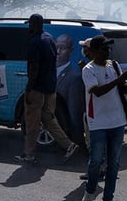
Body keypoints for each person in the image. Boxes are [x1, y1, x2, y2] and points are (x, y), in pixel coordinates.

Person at [80, 35, 127, 201]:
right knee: (96, 161)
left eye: (108, 48)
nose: (108, 51)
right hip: (98, 121)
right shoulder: (88, 70)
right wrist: (119, 79)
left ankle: (108, 199)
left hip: (117, 120)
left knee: (114, 163)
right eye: (104, 48)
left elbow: (121, 89)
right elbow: (98, 92)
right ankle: (90, 192)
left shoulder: (113, 65)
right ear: (93, 51)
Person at [14, 14, 79, 164]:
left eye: (30, 23)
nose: (29, 26)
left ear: (33, 24)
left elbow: (34, 67)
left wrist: (29, 88)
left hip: (37, 88)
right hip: (51, 87)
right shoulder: (49, 38)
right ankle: (69, 145)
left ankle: (29, 154)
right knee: (49, 118)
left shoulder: (34, 42)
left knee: (31, 122)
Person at [56, 33, 86, 148]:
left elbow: (74, 113)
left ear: (70, 50)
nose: (58, 52)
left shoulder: (73, 77)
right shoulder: (49, 71)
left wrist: (76, 141)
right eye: (56, 47)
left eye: (62, 48)